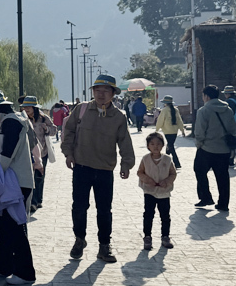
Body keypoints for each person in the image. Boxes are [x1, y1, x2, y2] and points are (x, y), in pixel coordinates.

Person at [62, 74, 135, 263]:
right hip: (82, 167)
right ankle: (79, 239)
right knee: (79, 207)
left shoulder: (118, 117)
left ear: (113, 94)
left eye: (106, 91)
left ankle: (104, 246)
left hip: (104, 170)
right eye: (97, 90)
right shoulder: (82, 110)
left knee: (104, 210)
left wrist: (126, 164)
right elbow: (69, 131)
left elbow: (125, 142)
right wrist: (68, 153)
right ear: (93, 92)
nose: (101, 94)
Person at [0, 94, 39, 285]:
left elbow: (6, 155)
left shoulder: (11, 123)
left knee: (14, 228)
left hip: (16, 183)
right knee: (4, 226)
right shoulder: (14, 120)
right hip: (14, 181)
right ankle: (2, 265)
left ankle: (26, 272)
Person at [194, 85, 236, 211]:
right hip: (224, 149)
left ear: (206, 96)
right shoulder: (228, 110)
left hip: (207, 148)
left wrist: (199, 144)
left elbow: (200, 131)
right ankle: (223, 204)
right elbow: (232, 129)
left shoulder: (203, 111)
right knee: (223, 176)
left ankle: (206, 197)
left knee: (199, 170)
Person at [137, 132, 177, 250]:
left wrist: (167, 181)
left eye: (158, 144)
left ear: (163, 145)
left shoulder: (167, 159)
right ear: (148, 146)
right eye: (152, 144)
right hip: (149, 191)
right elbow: (140, 172)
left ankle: (165, 236)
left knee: (165, 215)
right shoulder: (145, 159)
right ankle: (147, 236)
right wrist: (147, 180)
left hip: (164, 192)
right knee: (148, 214)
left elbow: (173, 173)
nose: (156, 146)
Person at [21, 96, 55, 213]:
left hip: (43, 152)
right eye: (24, 107)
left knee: (39, 177)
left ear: (34, 108)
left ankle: (39, 200)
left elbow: (54, 130)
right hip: (28, 153)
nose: (26, 109)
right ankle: (33, 202)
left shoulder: (43, 118)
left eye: (28, 107)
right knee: (31, 178)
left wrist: (47, 129)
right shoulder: (22, 118)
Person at [154, 95, 186, 169]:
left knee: (170, 146)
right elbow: (179, 120)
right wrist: (182, 130)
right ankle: (165, 161)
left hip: (167, 131)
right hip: (175, 131)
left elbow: (160, 120)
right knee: (170, 145)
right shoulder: (176, 110)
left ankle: (176, 163)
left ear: (165, 103)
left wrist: (157, 129)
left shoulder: (164, 110)